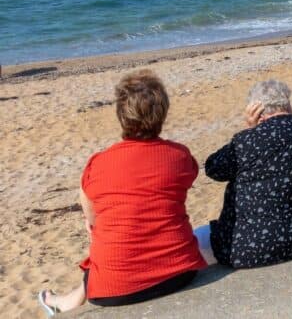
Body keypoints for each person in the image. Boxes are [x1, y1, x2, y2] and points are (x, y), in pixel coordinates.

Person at [38, 70, 206, 316]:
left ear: (121, 115)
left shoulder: (99, 164)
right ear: (163, 113)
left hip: (113, 290)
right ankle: (73, 297)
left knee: (107, 232)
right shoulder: (180, 156)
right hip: (180, 273)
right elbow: (186, 178)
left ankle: (68, 301)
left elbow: (92, 221)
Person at [195, 79, 292, 268]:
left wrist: (251, 130)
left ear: (256, 111)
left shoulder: (246, 141)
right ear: (287, 103)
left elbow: (213, 168)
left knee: (196, 239)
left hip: (253, 248)